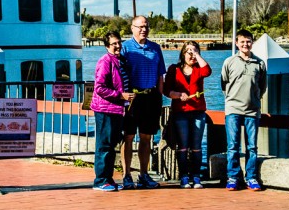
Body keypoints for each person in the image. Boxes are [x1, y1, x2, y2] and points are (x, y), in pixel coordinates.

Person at [120, 15, 166, 189]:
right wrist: (122, 97)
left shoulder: (155, 48)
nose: (144, 29)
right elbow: (119, 74)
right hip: (132, 98)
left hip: (151, 97)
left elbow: (160, 74)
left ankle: (144, 174)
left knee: (147, 137)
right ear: (132, 28)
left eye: (146, 26)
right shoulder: (125, 48)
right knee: (129, 136)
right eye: (140, 27)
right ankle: (126, 175)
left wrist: (159, 96)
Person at [220, 29, 266, 191]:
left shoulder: (259, 63)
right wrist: (232, 98)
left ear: (252, 43)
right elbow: (224, 84)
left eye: (248, 41)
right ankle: (233, 176)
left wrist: (254, 99)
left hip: (252, 111)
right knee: (233, 146)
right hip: (233, 109)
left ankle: (251, 177)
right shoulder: (229, 62)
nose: (245, 44)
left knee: (252, 147)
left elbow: (262, 86)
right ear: (236, 43)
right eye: (242, 42)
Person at [163, 41, 211, 188]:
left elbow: (207, 71)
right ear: (182, 53)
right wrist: (177, 95)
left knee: (196, 146)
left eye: (194, 51)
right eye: (188, 51)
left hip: (198, 112)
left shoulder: (199, 69)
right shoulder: (174, 69)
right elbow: (166, 90)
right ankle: (184, 177)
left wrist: (197, 54)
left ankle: (196, 177)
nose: (191, 54)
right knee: (183, 146)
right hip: (180, 112)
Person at [90, 31, 133, 192]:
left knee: (112, 144)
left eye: (119, 42)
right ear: (107, 45)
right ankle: (100, 180)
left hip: (117, 109)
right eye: (114, 43)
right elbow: (99, 87)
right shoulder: (105, 61)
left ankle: (108, 179)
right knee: (104, 145)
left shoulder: (120, 61)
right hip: (105, 109)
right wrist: (120, 95)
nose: (118, 46)